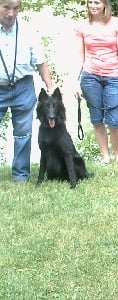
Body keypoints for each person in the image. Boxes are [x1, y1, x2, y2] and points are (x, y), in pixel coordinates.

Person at [74, 0, 118, 164]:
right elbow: (79, 56)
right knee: (97, 120)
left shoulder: (116, 24)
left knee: (115, 121)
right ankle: (105, 157)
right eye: (90, 2)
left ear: (105, 4)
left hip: (113, 77)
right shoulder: (82, 26)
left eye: (97, 2)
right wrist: (74, 82)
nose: (93, 5)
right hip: (90, 77)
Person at [0, 0, 53, 183]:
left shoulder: (28, 31)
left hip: (23, 87)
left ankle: (21, 176)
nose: (11, 14)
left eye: (15, 9)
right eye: (6, 7)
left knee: (23, 132)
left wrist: (49, 87)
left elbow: (40, 61)